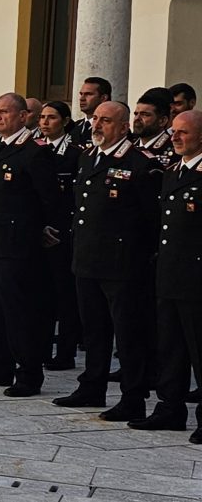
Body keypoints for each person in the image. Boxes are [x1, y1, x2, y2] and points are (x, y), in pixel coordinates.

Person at [54, 101, 163, 421]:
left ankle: (133, 396)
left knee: (128, 334)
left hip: (122, 264)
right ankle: (92, 384)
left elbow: (151, 220)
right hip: (87, 258)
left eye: (106, 121)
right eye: (96, 120)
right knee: (94, 329)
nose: (97, 126)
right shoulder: (89, 156)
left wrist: (139, 258)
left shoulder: (140, 163)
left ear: (124, 126)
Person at [0, 93, 57, 398]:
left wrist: (40, 233)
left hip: (16, 247)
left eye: (5, 112)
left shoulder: (33, 152)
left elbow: (48, 200)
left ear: (22, 117)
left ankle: (29, 373)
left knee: (19, 311)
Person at [129, 110, 202, 444]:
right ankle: (169, 408)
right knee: (169, 347)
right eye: (173, 131)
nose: (175, 137)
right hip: (169, 273)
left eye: (183, 132)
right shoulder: (173, 171)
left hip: (196, 276)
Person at [36, 101, 85, 371]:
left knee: (65, 296)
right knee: (41, 295)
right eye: (42, 117)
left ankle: (65, 351)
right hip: (39, 231)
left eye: (52, 118)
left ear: (65, 121)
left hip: (63, 232)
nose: (45, 122)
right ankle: (41, 347)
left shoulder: (76, 153)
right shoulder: (34, 149)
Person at [132, 88, 176, 168]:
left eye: (145, 114)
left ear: (162, 121)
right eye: (136, 114)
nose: (137, 118)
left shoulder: (174, 148)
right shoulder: (129, 145)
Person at [70, 77, 111, 145]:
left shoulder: (112, 128)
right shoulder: (74, 126)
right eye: (81, 94)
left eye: (88, 94)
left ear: (103, 98)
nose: (82, 98)